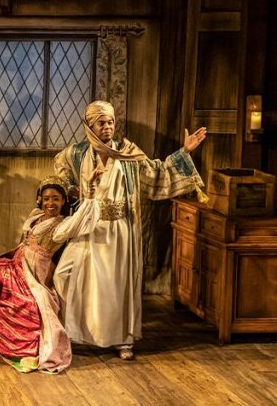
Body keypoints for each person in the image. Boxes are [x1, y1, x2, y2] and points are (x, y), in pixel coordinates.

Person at [52, 100, 208, 360]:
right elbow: (61, 171)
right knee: (72, 278)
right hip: (89, 226)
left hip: (120, 230)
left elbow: (157, 174)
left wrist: (184, 152)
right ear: (89, 126)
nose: (107, 127)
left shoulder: (128, 154)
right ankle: (77, 333)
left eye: (111, 122)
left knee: (116, 286)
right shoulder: (78, 154)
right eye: (101, 123)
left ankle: (122, 340)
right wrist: (74, 189)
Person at [0, 175, 100, 373]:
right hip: (16, 265)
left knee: (3, 287)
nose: (50, 203)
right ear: (40, 199)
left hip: (33, 274)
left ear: (63, 201)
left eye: (56, 199)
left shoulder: (61, 225)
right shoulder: (36, 215)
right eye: (47, 198)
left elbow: (83, 218)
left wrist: (91, 191)